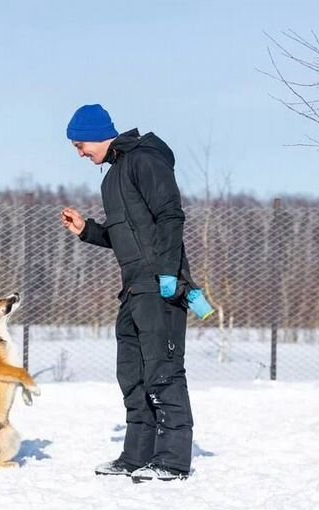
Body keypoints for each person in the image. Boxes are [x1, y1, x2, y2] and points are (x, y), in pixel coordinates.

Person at [60, 104, 213, 483]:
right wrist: (87, 230)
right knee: (131, 373)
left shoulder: (146, 160)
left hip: (159, 285)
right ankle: (136, 455)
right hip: (132, 288)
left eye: (80, 145)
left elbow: (171, 216)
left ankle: (173, 460)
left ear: (97, 133)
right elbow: (126, 236)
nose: (80, 153)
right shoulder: (111, 178)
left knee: (163, 370)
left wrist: (167, 274)